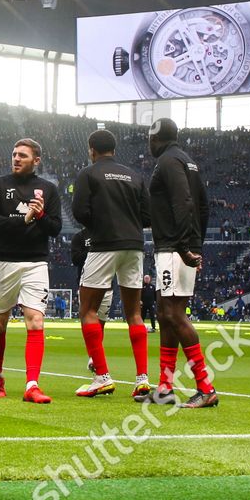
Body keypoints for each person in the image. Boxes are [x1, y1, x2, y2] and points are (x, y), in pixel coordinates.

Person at [71, 129, 152, 399]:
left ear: (91, 149)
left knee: (88, 310)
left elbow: (80, 212)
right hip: (134, 246)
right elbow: (147, 216)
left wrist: (103, 222)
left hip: (104, 244)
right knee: (134, 314)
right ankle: (142, 379)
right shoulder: (135, 176)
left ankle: (102, 377)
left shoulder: (88, 173)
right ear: (114, 149)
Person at [141, 118, 215, 408]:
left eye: (149, 138)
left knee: (173, 313)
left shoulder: (169, 161)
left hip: (174, 247)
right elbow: (203, 206)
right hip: (179, 245)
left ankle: (205, 387)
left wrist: (185, 246)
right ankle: (165, 387)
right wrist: (197, 243)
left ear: (155, 138)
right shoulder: (187, 161)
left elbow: (184, 202)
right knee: (164, 313)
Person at [0, 138, 63, 403]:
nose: (16, 159)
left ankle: (32, 385)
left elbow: (55, 228)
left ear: (36, 160)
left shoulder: (48, 190)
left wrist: (38, 217)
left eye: (23, 156)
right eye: (14, 154)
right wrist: (25, 221)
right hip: (2, 261)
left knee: (36, 321)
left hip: (35, 262)